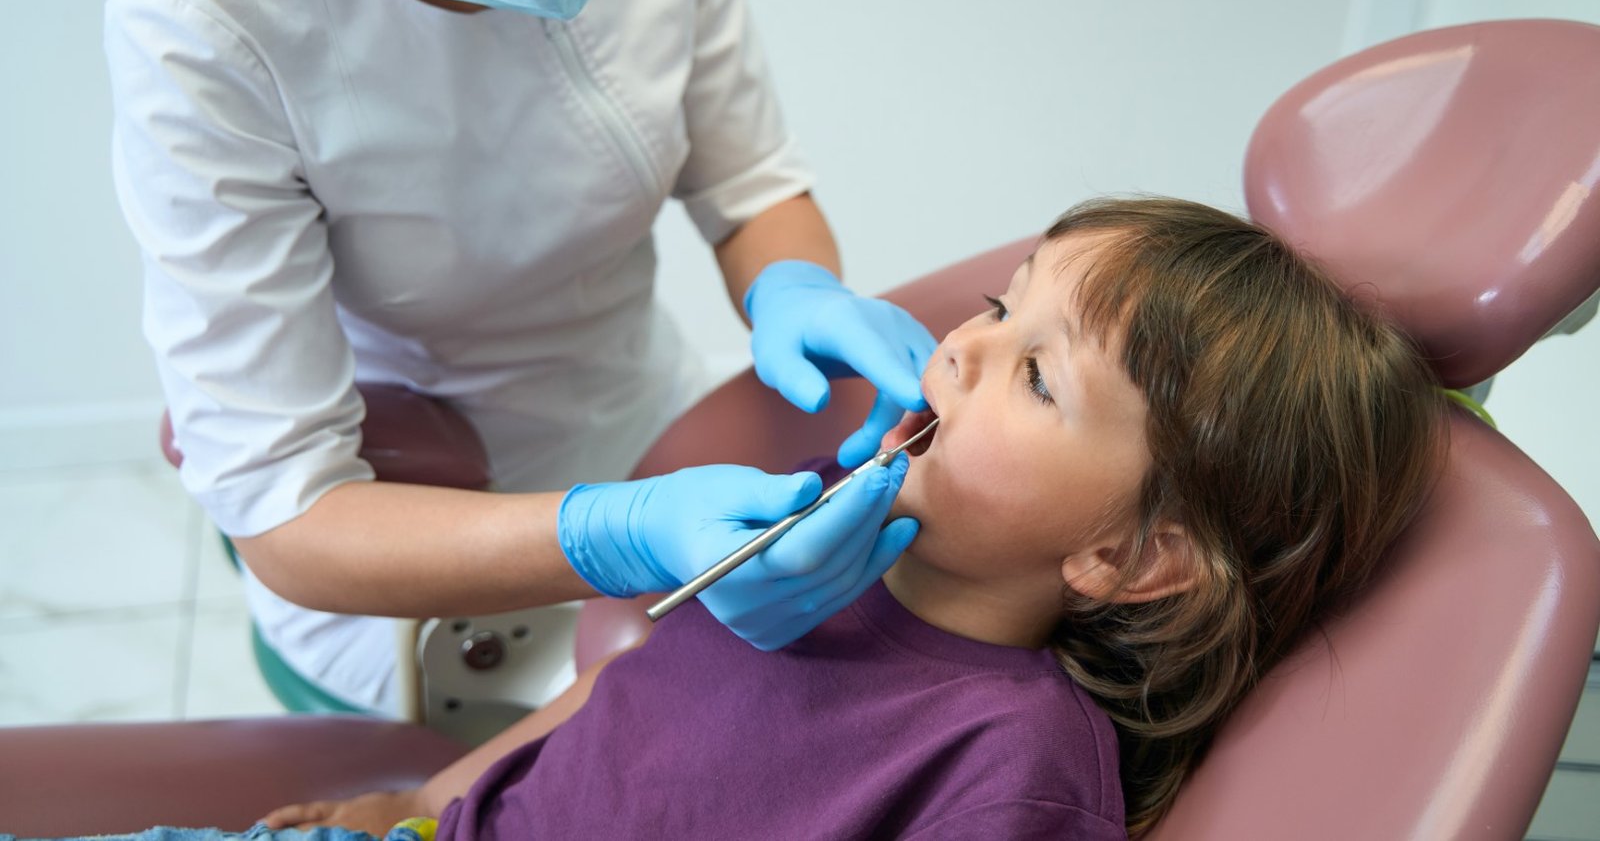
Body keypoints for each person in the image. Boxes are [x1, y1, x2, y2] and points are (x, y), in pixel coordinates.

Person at [106, 0, 935, 715]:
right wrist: (612, 536)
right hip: (413, 551)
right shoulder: (204, 25)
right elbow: (287, 513)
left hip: (652, 425)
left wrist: (796, 286)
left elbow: (749, 186)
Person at [246, 196, 1443, 839]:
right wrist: (421, 800)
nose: (962, 347)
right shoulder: (807, 528)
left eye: (1036, 373)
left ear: (1126, 556)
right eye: (997, 306)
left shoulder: (1008, 772)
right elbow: (608, 701)